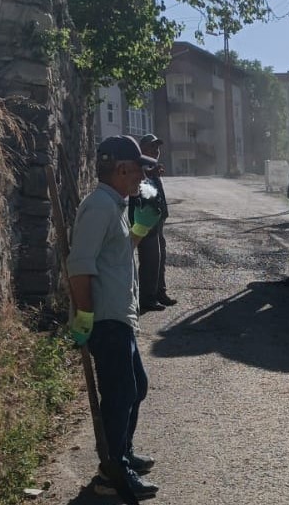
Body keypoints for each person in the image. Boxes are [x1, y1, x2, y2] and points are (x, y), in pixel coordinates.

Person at [67, 135, 163, 498]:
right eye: (139, 169)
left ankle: (121, 453)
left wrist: (138, 229)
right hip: (105, 319)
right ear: (121, 169)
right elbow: (79, 267)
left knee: (134, 388)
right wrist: (85, 317)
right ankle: (112, 474)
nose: (142, 176)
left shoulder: (116, 205)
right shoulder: (99, 207)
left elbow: (117, 254)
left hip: (119, 317)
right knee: (121, 393)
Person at [130, 134, 176, 313]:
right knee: (150, 259)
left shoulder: (153, 167)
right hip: (144, 222)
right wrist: (149, 173)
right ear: (142, 149)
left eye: (157, 148)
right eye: (151, 148)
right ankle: (147, 299)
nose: (155, 151)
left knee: (159, 258)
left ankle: (159, 293)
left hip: (156, 221)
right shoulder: (139, 167)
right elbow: (137, 186)